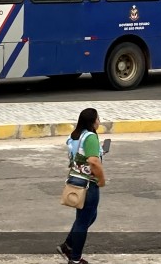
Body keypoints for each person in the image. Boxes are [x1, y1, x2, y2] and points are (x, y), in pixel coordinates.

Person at [57, 108, 106, 264]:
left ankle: (67, 245)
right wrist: (102, 179)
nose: (99, 121)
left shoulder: (76, 135)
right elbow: (93, 161)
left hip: (75, 180)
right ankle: (75, 259)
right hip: (88, 183)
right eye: (98, 119)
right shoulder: (90, 137)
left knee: (87, 217)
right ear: (92, 121)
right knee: (83, 221)